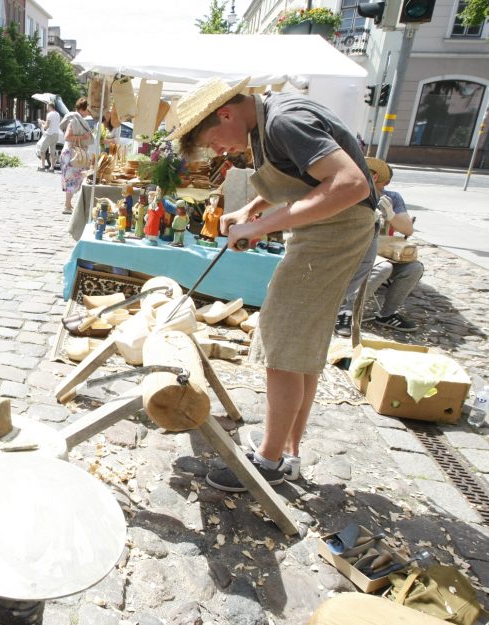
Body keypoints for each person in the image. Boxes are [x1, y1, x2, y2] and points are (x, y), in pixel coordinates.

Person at [174, 77, 377, 492]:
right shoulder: (266, 123)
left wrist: (264, 224)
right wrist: (252, 207)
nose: (220, 151)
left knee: (282, 344)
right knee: (300, 345)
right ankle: (288, 452)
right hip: (323, 232)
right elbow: (299, 175)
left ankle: (266, 462)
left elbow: (351, 184)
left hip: (334, 235)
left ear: (226, 114)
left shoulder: (285, 121)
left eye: (214, 142)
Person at [335, 157, 422, 336]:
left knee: (414, 268)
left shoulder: (392, 197)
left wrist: (390, 215)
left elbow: (407, 228)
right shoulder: (349, 193)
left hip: (384, 251)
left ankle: (386, 314)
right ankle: (345, 312)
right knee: (383, 268)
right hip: (354, 254)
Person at [59, 97, 93, 215]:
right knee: (71, 179)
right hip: (72, 153)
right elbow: (67, 137)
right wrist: (82, 138)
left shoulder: (77, 119)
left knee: (74, 178)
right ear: (83, 109)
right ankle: (67, 205)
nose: (89, 113)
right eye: (88, 110)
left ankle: (69, 204)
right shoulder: (74, 120)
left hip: (73, 153)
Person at [37, 102, 61, 171]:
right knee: (52, 152)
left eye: (47, 106)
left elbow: (47, 126)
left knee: (42, 150)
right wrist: (43, 121)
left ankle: (43, 167)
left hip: (50, 134)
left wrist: (41, 124)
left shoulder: (49, 114)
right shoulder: (57, 114)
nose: (47, 108)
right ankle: (52, 168)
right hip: (56, 134)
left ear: (50, 106)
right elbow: (52, 124)